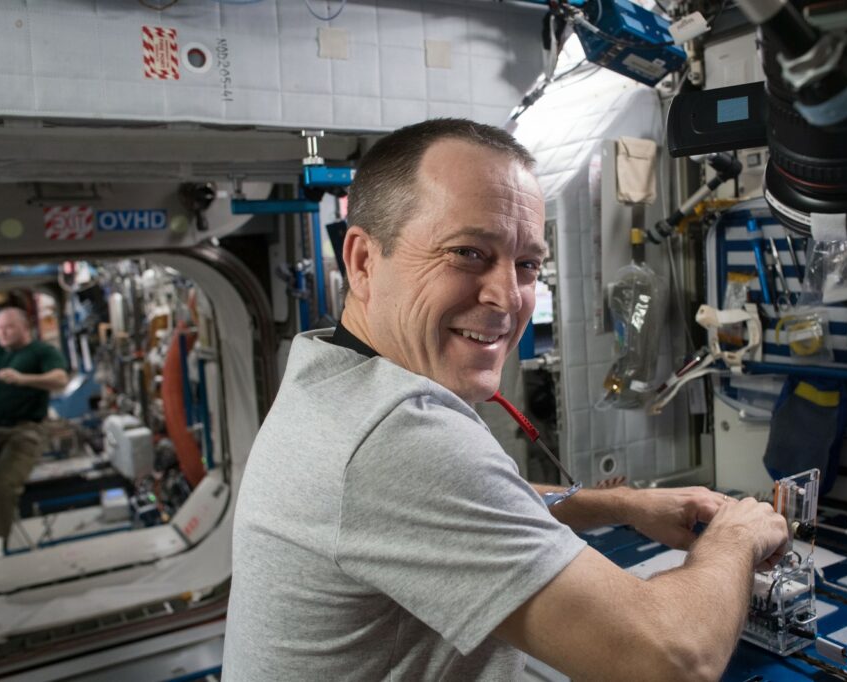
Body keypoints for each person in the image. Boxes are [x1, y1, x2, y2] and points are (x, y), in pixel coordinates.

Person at [223, 119, 788, 681]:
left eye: (527, 264)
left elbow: (476, 499)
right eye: (468, 252)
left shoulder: (331, 376)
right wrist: (735, 537)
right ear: (364, 261)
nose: (507, 297)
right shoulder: (395, 435)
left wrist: (623, 505)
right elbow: (673, 660)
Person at [0, 307, 68, 543]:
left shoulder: (41, 351)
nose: (2, 332)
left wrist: (24, 379)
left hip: (27, 431)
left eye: (9, 327)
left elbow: (60, 379)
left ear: (25, 328)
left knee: (1, 487)